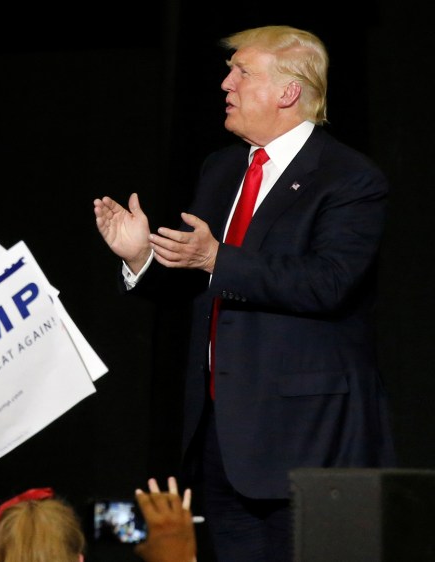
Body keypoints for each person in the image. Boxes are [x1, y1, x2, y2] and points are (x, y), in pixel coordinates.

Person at [93, 25, 394, 562]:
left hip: (307, 442)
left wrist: (214, 256)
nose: (226, 84)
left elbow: (327, 283)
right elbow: (203, 284)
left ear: (287, 92)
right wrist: (140, 257)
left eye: (242, 72)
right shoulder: (222, 167)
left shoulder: (349, 178)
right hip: (221, 436)